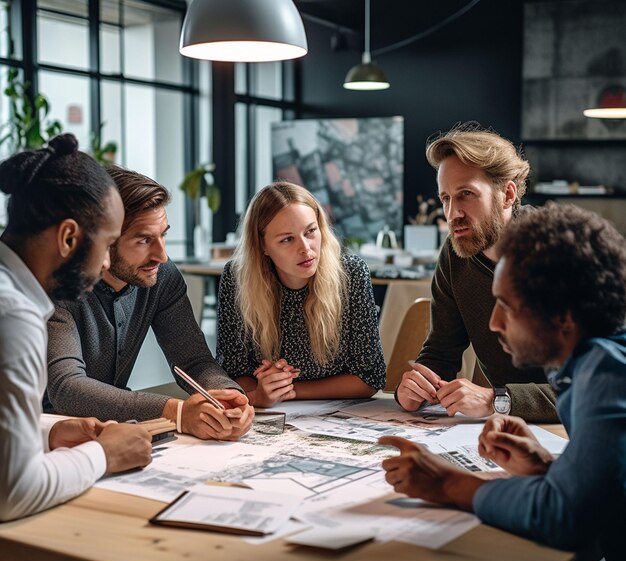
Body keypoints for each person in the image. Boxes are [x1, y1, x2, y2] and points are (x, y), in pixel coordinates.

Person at [381, 205, 626, 561]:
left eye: (508, 307)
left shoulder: (605, 375)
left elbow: (562, 517)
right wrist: (549, 467)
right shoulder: (596, 359)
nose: (493, 323)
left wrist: (450, 484)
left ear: (563, 317)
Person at [0, 134, 152, 523]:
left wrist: (45, 434)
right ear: (69, 237)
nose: (105, 264)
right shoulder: (13, 315)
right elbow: (13, 492)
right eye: (107, 244)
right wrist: (104, 455)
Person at [45, 165, 253, 441]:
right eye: (144, 240)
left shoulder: (161, 276)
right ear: (104, 240)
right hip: (40, 437)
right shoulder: (56, 285)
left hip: (109, 433)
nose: (162, 256)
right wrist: (176, 413)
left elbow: (194, 360)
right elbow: (66, 388)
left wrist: (229, 397)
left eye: (163, 235)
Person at [397, 122, 558, 421]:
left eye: (466, 194)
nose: (452, 214)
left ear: (507, 194)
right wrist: (416, 388)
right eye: (445, 198)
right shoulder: (455, 253)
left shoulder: (560, 254)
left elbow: (600, 386)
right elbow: (442, 350)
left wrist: (497, 400)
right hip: (505, 429)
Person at [216, 181, 386, 408]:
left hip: (338, 417)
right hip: (269, 417)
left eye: (310, 231)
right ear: (262, 246)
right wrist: (259, 392)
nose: (306, 248)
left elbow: (370, 378)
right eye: (287, 239)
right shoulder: (237, 278)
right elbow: (232, 372)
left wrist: (284, 390)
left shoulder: (351, 273)